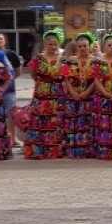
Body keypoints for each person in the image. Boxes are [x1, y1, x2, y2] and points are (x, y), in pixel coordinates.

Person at [23, 28, 67, 160]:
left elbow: (65, 76)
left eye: (55, 44)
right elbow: (33, 75)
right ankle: (39, 149)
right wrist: (43, 85)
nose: (53, 47)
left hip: (57, 93)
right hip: (42, 93)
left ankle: (56, 149)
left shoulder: (63, 60)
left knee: (56, 120)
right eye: (50, 44)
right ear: (45, 44)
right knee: (40, 120)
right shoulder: (38, 59)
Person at [61, 32, 98, 159]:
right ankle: (74, 150)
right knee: (74, 124)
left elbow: (96, 80)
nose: (82, 49)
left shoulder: (95, 61)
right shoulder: (69, 61)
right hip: (73, 98)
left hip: (90, 98)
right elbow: (65, 78)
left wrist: (87, 92)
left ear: (90, 46)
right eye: (80, 46)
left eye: (85, 46)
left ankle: (89, 150)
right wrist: (73, 93)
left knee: (89, 124)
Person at [0, 33, 22, 149]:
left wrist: (7, 82)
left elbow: (18, 72)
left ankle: (13, 139)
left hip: (9, 91)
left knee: (11, 115)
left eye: (0, 38)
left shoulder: (11, 54)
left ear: (5, 41)